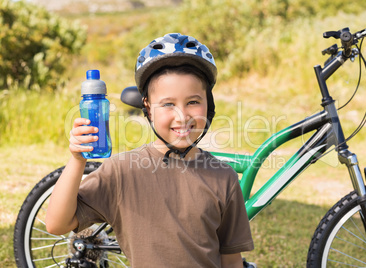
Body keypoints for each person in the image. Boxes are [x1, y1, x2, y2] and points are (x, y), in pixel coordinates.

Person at [46, 33, 254, 267]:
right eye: (168, 104)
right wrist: (77, 160)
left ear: (209, 104)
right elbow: (57, 224)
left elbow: (231, 260)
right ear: (148, 107)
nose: (182, 116)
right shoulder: (122, 172)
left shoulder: (223, 177)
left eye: (193, 102)